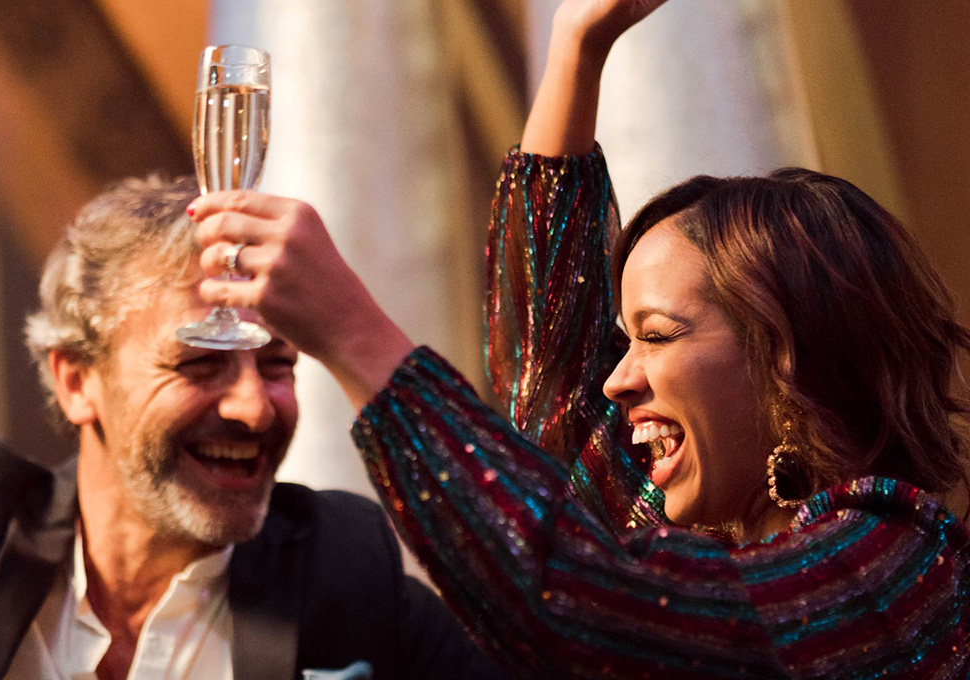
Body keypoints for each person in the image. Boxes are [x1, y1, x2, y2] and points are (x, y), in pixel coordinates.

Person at [183, 0, 970, 677]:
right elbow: (548, 375)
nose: (617, 380)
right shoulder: (675, 509)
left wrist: (352, 332)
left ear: (787, 357)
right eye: (625, 339)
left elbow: (583, 604)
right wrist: (576, 45)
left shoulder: (891, 573)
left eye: (658, 335)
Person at [0, 115, 508, 680]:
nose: (254, 408)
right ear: (75, 378)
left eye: (277, 364)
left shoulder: (344, 572)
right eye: (201, 363)